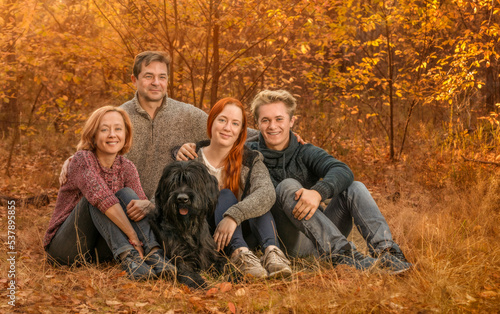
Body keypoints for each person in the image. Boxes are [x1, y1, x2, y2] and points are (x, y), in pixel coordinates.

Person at [60, 51, 258, 221]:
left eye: (162, 77)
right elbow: (93, 152)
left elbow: (231, 130)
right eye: (148, 76)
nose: (156, 83)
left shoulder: (187, 114)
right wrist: (72, 159)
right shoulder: (118, 117)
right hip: (127, 207)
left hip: (172, 208)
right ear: (134, 80)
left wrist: (279, 135)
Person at [247, 90, 412, 274]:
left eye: (279, 119)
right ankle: (344, 255)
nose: (272, 126)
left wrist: (318, 192)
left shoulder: (304, 151)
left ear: (292, 121)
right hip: (288, 241)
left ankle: (388, 252)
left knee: (354, 187)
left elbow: (342, 170)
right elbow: (222, 133)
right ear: (257, 124)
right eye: (265, 120)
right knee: (287, 186)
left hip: (322, 233)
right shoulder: (248, 154)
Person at [44, 106, 175, 281]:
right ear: (93, 135)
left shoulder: (127, 167)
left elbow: (140, 207)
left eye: (118, 129)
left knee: (129, 195)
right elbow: (102, 199)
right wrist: (133, 236)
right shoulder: (83, 159)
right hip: (66, 247)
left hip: (100, 249)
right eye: (104, 129)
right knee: (97, 197)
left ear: (126, 135)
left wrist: (148, 206)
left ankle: (154, 254)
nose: (112, 134)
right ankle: (130, 258)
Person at [176, 97, 292, 278]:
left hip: (242, 231)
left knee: (258, 201)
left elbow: (267, 194)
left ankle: (273, 252)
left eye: (235, 123)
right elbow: (171, 193)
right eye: (222, 120)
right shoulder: (190, 157)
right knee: (225, 194)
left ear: (241, 131)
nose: (227, 128)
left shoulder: (250, 159)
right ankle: (240, 255)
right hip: (206, 235)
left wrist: (233, 216)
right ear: (211, 121)